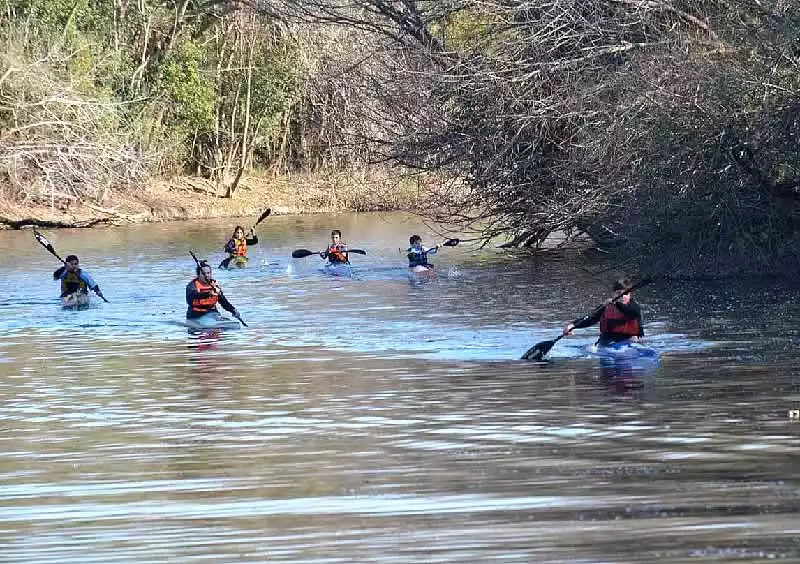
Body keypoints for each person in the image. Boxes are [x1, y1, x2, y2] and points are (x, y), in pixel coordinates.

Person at [562, 277, 644, 347]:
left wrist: (617, 304)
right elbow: (591, 318)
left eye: (625, 294)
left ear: (630, 295)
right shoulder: (607, 306)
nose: (622, 297)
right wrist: (572, 325)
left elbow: (632, 314)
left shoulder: (634, 307)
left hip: (628, 340)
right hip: (607, 341)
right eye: (618, 293)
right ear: (613, 294)